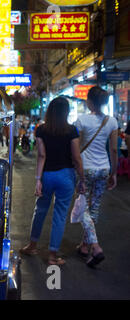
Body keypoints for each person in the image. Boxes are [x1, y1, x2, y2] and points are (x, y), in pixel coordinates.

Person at [20, 97, 85, 265]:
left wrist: (38, 180)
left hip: (47, 175)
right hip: (66, 176)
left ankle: (32, 246)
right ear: (66, 112)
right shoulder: (72, 130)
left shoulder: (41, 130)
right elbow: (76, 157)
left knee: (40, 210)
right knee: (59, 216)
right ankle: (52, 256)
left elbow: (42, 156)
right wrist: (82, 179)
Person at [74, 86, 118, 268]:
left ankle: (95, 246)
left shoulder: (82, 120)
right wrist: (113, 173)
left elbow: (78, 147)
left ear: (89, 101)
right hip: (103, 168)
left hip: (86, 168)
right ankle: (84, 246)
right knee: (94, 208)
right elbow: (114, 149)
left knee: (80, 209)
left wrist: (77, 171)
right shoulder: (112, 121)